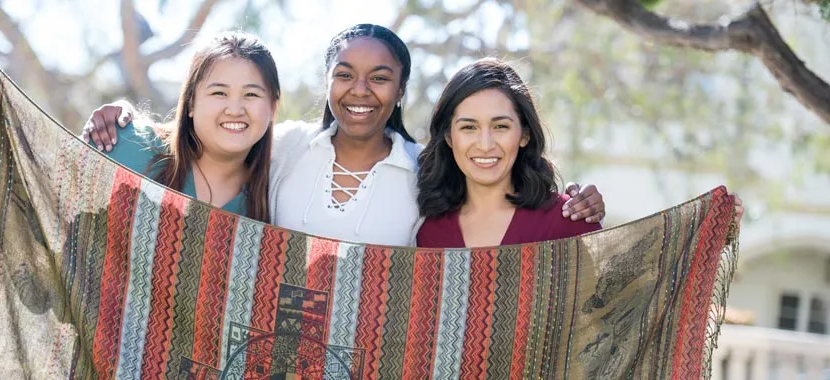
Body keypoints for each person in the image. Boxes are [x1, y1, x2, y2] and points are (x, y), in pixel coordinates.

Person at [79, 24, 606, 245]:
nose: (361, 90)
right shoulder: (284, 147)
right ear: (327, 83)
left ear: (400, 91)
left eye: (380, 77)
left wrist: (574, 202)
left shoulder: (426, 170)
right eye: (345, 74)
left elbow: (490, 195)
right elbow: (209, 131)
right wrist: (121, 114)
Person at [415, 58, 743, 248]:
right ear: (448, 136)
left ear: (525, 134)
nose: (485, 144)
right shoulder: (426, 229)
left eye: (500, 126)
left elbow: (627, 303)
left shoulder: (567, 221)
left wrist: (711, 233)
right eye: (469, 127)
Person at [0, 32, 280, 222]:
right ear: (191, 103)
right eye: (219, 92)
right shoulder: (124, 146)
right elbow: (35, 197)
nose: (234, 108)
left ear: (273, 106)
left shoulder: (277, 192)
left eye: (251, 94)